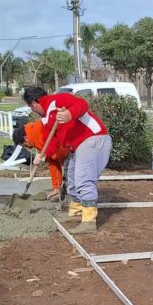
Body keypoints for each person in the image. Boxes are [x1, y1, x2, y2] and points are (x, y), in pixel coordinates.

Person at [21, 86, 112, 234]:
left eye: (30, 107)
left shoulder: (57, 100)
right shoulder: (45, 120)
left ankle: (89, 221)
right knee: (72, 178)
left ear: (33, 104)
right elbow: (51, 143)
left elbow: (82, 104)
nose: (32, 110)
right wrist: (41, 156)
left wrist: (70, 113)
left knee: (84, 178)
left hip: (93, 138)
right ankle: (77, 212)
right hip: (78, 146)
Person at [12, 120, 69, 201]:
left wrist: (46, 154)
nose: (27, 148)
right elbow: (53, 164)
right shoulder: (35, 139)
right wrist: (56, 188)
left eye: (25, 145)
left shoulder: (38, 129)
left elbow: (58, 148)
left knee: (75, 178)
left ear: (25, 138)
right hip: (67, 153)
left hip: (75, 147)